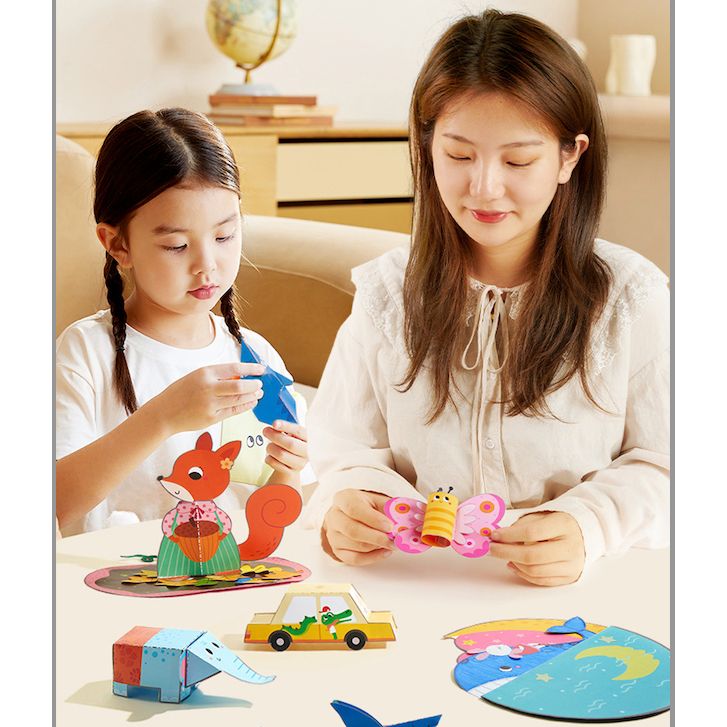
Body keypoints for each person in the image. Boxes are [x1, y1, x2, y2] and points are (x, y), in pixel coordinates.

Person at [305, 9, 669, 586]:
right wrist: (349, 502)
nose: (484, 187)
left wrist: (590, 525)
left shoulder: (630, 298)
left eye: (518, 160)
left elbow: (669, 465)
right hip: (414, 588)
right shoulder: (386, 294)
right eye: (458, 155)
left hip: (572, 600)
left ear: (570, 157)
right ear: (427, 146)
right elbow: (339, 450)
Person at [56, 108, 309, 535]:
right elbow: (56, 504)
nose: (207, 265)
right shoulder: (85, 352)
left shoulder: (255, 357)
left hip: (231, 569)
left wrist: (289, 470)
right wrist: (163, 417)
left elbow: (278, 515)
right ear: (117, 244)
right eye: (176, 245)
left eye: (224, 236)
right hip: (115, 573)